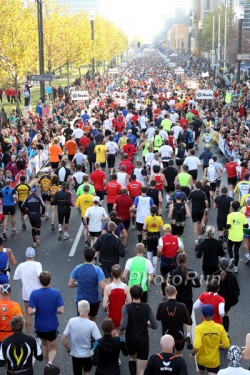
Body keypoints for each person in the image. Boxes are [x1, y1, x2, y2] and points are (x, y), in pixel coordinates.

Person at [118, 285, 157, 375]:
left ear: (131, 294)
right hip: (143, 340)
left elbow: (123, 325)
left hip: (131, 339)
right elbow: (154, 326)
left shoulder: (126, 308)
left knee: (132, 358)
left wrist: (119, 332)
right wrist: (147, 324)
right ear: (141, 294)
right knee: (141, 370)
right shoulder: (147, 307)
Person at [27, 271, 64, 367]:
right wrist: (54, 310)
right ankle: (50, 363)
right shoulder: (56, 293)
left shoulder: (34, 293)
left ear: (40, 281)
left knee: (44, 345)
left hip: (40, 327)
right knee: (53, 348)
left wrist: (36, 310)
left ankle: (46, 365)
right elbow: (61, 310)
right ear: (50, 281)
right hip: (52, 326)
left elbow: (29, 311)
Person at [61, 300, 101, 375]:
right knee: (87, 372)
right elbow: (99, 341)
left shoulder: (71, 321)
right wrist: (93, 350)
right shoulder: (92, 324)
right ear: (89, 310)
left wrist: (69, 350)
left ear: (78, 310)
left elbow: (63, 339)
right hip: (88, 354)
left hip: (75, 355)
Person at [190, 304, 230, 375]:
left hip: (201, 359)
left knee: (200, 372)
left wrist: (192, 354)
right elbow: (226, 344)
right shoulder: (220, 327)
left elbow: (196, 346)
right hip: (214, 361)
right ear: (213, 314)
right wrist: (218, 345)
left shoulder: (199, 328)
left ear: (203, 314)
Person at [68, 248, 106, 321]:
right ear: (93, 256)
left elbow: (70, 284)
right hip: (93, 299)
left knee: (81, 319)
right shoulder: (98, 270)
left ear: (84, 256)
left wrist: (78, 284)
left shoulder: (77, 268)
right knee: (93, 318)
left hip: (80, 299)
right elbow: (103, 286)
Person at [156, 285, 192, 355]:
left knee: (168, 355)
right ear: (176, 292)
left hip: (166, 335)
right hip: (179, 335)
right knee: (179, 354)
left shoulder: (161, 305)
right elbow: (189, 321)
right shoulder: (182, 306)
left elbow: (158, 318)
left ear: (166, 293)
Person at [13, 247, 42, 334]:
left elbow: (15, 278)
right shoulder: (37, 264)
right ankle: (38, 331)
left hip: (26, 294)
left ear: (26, 255)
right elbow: (40, 275)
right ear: (34, 255)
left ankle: (29, 334)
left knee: (28, 314)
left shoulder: (21, 265)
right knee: (39, 313)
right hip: (37, 293)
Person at [171, 253, 200, 322]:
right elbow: (198, 284)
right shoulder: (191, 272)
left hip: (178, 298)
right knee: (188, 318)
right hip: (188, 298)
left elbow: (172, 286)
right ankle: (188, 333)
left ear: (177, 261)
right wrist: (190, 284)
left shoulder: (174, 272)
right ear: (186, 261)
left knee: (178, 317)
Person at [213, 257, 240, 333]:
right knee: (226, 314)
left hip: (216, 300)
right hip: (227, 301)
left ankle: (217, 332)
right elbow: (237, 289)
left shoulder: (215, 275)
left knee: (216, 315)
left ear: (219, 265)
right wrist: (234, 299)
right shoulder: (232, 276)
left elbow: (210, 288)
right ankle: (226, 333)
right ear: (228, 265)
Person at [157, 224, 184, 296]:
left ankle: (164, 294)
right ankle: (173, 294)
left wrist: (159, 256)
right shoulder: (176, 238)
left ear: (164, 231)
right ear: (171, 230)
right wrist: (176, 252)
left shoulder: (161, 239)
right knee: (174, 278)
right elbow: (182, 249)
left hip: (164, 262)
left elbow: (159, 250)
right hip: (174, 262)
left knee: (164, 279)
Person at [103, 264, 131, 329]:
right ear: (121, 274)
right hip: (122, 316)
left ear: (111, 274)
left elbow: (104, 306)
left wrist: (107, 305)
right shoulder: (126, 287)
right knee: (120, 334)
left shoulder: (107, 288)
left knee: (113, 333)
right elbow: (129, 303)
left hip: (111, 315)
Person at [226, 200, 248, 273]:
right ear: (239, 207)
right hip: (239, 236)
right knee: (236, 250)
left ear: (232, 207)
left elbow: (228, 226)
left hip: (232, 236)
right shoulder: (242, 215)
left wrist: (228, 225)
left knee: (229, 247)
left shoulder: (230, 215)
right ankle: (236, 267)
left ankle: (231, 258)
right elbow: (246, 225)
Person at [143, 205, 163, 274]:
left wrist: (147, 229)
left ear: (150, 211)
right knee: (155, 251)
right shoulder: (159, 218)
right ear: (157, 211)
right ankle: (154, 269)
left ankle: (149, 267)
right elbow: (162, 227)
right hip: (157, 235)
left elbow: (144, 228)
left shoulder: (147, 218)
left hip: (149, 235)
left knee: (149, 249)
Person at [188, 180, 209, 246]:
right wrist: (206, 208)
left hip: (194, 210)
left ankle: (196, 240)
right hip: (201, 211)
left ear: (195, 186)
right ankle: (200, 236)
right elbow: (206, 202)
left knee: (195, 225)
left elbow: (188, 201)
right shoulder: (203, 193)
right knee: (200, 223)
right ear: (201, 186)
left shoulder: (192, 193)